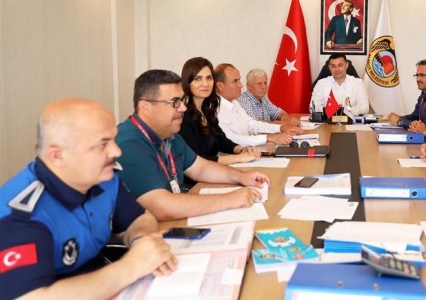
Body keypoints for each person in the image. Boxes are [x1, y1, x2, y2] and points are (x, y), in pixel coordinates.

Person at [0, 98, 177, 300]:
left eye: (113, 139)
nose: (117, 151)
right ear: (57, 156)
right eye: (102, 144)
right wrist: (131, 267)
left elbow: (138, 217)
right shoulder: (20, 216)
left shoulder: (101, 177)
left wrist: (141, 242)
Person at [116, 70, 270, 221]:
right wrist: (229, 199)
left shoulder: (169, 135)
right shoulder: (129, 144)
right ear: (146, 107)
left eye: (182, 100)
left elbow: (201, 168)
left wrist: (241, 177)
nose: (183, 108)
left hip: (178, 216)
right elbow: (160, 206)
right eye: (174, 102)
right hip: (155, 228)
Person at [179, 57, 260, 164]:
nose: (205, 83)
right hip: (197, 174)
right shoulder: (183, 116)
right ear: (187, 82)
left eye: (209, 78)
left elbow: (221, 141)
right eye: (198, 79)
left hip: (212, 171)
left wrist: (241, 150)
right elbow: (195, 159)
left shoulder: (207, 111)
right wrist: (239, 158)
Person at [215, 63, 303, 146]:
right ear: (220, 86)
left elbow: (251, 124)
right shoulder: (216, 109)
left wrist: (280, 127)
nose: (240, 85)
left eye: (239, 80)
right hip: (232, 155)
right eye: (235, 81)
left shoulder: (234, 103)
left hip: (247, 150)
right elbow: (229, 139)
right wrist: (268, 138)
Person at [388, 59, 426, 132]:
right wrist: (398, 118)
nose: (418, 79)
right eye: (417, 75)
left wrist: (400, 122)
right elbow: (415, 116)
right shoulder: (424, 94)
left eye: (422, 75)